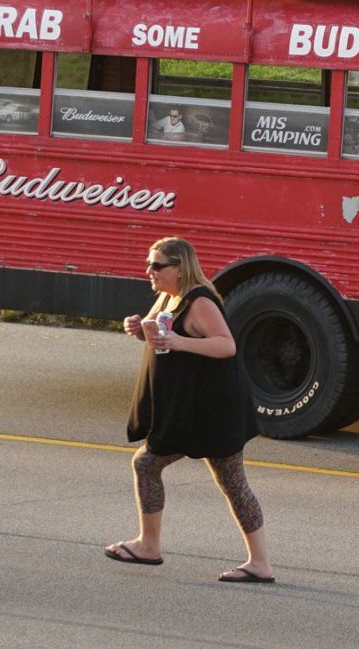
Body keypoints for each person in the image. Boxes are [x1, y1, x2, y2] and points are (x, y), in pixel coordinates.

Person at [110, 238, 270, 583]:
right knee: (226, 481)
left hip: (211, 410)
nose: (149, 271)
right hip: (188, 407)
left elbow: (226, 345)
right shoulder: (169, 296)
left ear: (180, 268)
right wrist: (138, 329)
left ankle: (151, 546)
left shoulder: (199, 301)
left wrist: (181, 342)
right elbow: (156, 335)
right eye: (148, 263)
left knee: (155, 464)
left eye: (157, 265)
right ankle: (257, 563)